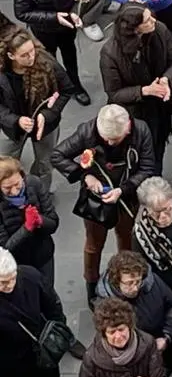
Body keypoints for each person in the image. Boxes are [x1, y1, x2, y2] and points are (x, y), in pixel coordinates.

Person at [53, 105, 155, 302]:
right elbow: (57, 155)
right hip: (95, 200)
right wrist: (86, 176)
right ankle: (91, 284)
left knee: (126, 241)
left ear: (128, 128)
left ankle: (125, 279)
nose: (109, 142)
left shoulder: (141, 131)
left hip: (126, 198)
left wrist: (123, 189)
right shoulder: (88, 130)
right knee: (93, 245)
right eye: (105, 137)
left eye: (114, 140)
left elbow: (148, 166)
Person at [100, 5, 172, 172]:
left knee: (159, 147)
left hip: (161, 106)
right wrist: (144, 91)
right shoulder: (110, 53)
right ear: (134, 28)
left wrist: (166, 80)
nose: (153, 20)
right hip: (136, 112)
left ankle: (156, 179)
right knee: (142, 154)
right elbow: (114, 93)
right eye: (147, 20)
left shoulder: (160, 30)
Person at [0, 29, 73, 184]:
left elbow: (66, 90)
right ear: (11, 56)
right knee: (5, 163)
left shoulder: (46, 62)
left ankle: (39, 193)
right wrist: (15, 120)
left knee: (45, 164)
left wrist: (47, 114)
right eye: (24, 55)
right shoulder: (2, 73)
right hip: (12, 128)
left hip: (46, 126)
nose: (31, 57)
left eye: (32, 51)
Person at [0, 157, 58, 286]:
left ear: (21, 175)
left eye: (17, 184)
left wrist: (40, 220)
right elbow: (4, 248)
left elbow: (53, 222)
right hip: (17, 264)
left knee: (47, 291)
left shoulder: (34, 184)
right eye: (7, 188)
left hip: (43, 254)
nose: (14, 191)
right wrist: (27, 228)